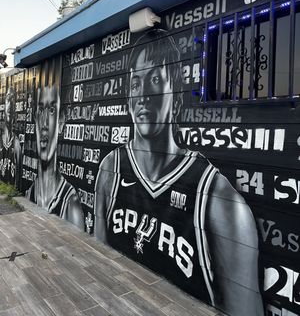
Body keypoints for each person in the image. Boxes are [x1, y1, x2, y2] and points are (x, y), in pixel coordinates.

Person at [94, 29, 263, 316]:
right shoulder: (111, 168)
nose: (144, 95)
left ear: (177, 90)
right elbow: (96, 264)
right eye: (136, 83)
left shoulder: (218, 199)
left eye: (156, 79)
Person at [26, 84, 84, 229]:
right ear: (35, 118)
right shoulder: (30, 193)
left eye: (51, 110)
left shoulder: (71, 202)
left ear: (61, 122)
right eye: (40, 110)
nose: (44, 123)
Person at [0, 86, 21, 187]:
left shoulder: (16, 144)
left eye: (13, 98)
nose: (10, 101)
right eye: (8, 97)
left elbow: (18, 180)